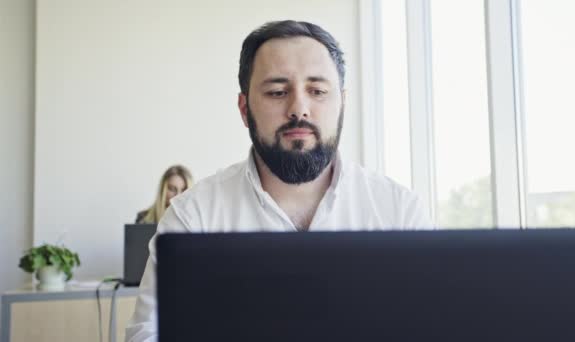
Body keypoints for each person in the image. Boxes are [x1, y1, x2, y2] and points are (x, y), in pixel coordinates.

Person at [125, 20, 433, 342]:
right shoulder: (193, 219)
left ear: (341, 103)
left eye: (317, 91)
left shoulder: (400, 213)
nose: (299, 108)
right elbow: (147, 335)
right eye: (277, 92)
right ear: (245, 110)